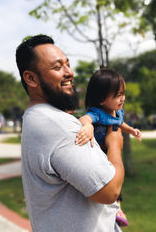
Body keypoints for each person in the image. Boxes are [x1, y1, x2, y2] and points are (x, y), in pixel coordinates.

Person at [16, 34, 125, 232]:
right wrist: (115, 144)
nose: (70, 73)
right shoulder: (57, 125)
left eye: (68, 64)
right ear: (31, 78)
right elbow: (109, 191)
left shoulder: (34, 118)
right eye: (57, 67)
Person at [76, 69, 142, 227]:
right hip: (98, 157)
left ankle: (118, 209)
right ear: (101, 99)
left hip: (110, 155)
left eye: (123, 93)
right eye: (117, 95)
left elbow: (119, 123)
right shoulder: (97, 113)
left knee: (117, 182)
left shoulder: (117, 111)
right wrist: (88, 127)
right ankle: (115, 210)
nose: (122, 98)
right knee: (109, 184)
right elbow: (83, 119)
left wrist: (131, 130)